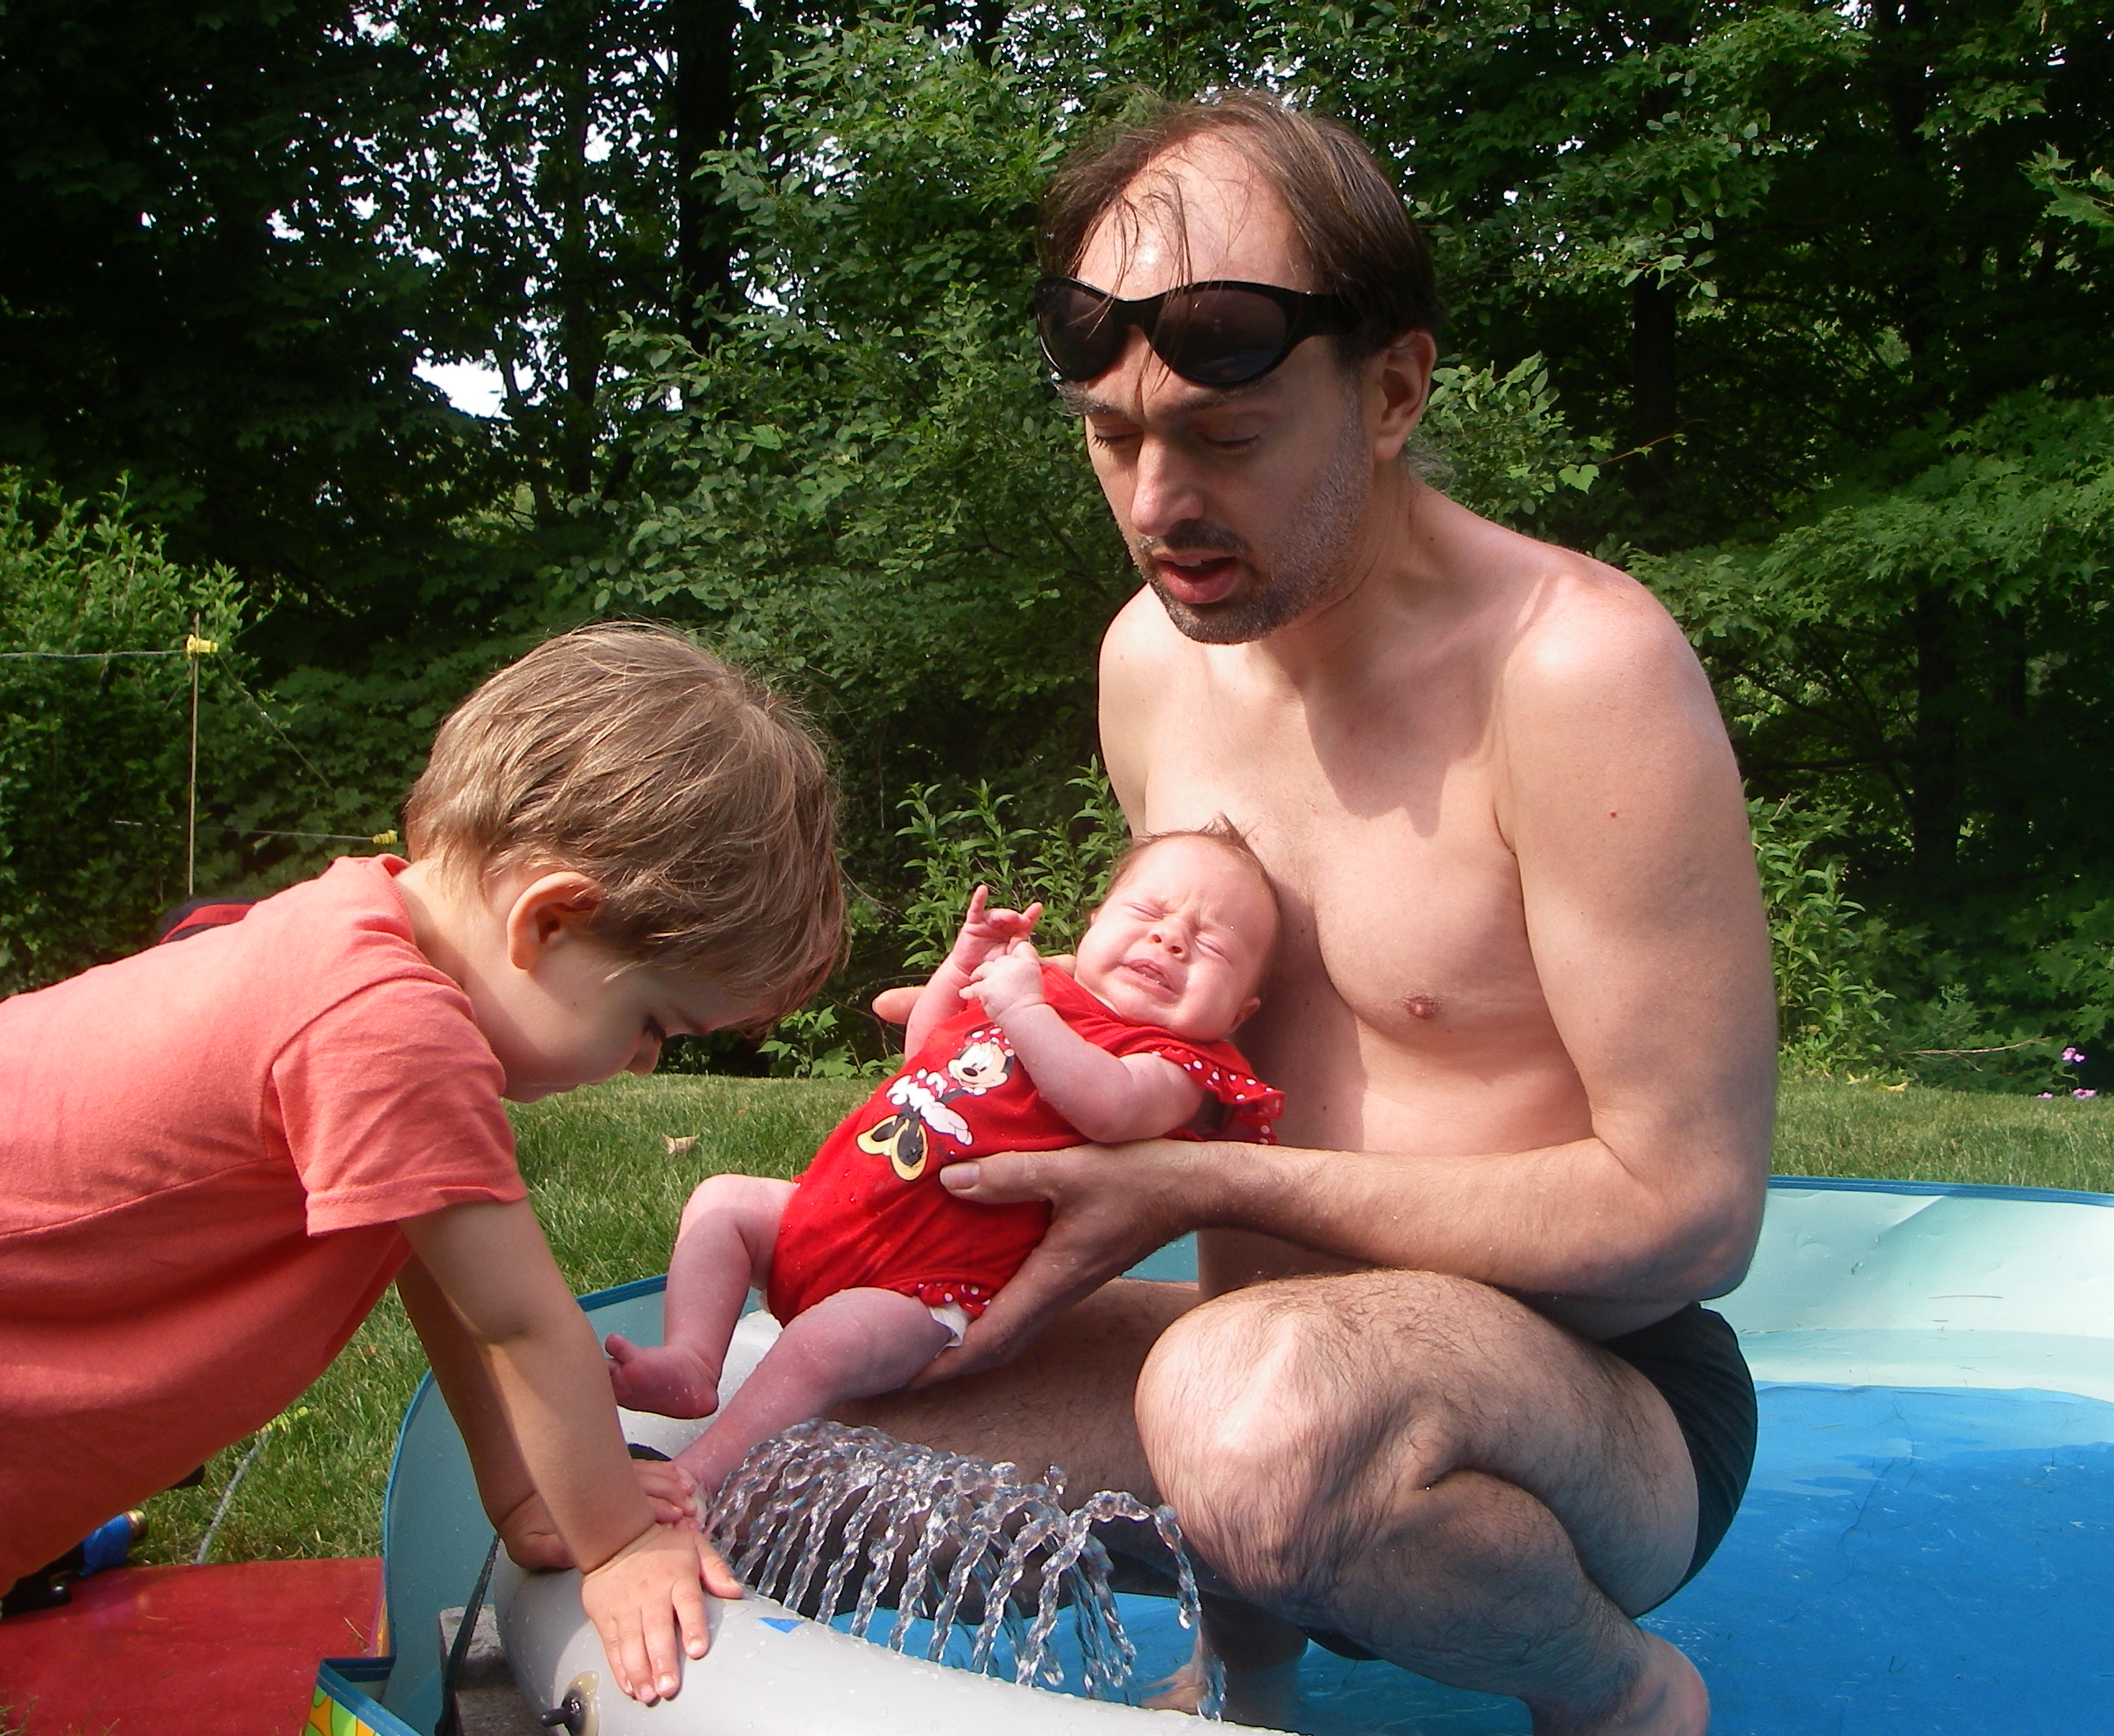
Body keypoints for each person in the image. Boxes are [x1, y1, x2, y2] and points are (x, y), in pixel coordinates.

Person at [852, 93, 1776, 1736]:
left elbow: (1693, 1215)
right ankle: (1248, 1678)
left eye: (1224, 439)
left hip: (1594, 1400)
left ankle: (1622, 1696)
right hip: (1257, 1364)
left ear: (1392, 391)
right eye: (1110, 436)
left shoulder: (1576, 672)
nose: (1155, 502)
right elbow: (1198, 1055)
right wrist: (1007, 1034)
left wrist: (1206, 1180)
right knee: (808, 1402)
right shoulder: (1153, 663)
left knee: (1256, 1406)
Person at [0, 625, 847, 1708]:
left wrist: (528, 1497)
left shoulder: (358, 938)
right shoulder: (388, 1028)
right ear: (549, 919)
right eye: (655, 1023)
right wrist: (621, 1544)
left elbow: (451, 1290)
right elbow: (519, 1321)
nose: (643, 1063)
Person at [608, 823, 1283, 1497]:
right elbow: (926, 1047)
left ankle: (699, 1474)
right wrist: (962, 967)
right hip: (828, 1216)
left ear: (1240, 1012)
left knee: (821, 1346)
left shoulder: (1177, 1066)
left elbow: (1108, 1106)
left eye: (1213, 944)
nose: (1171, 939)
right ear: (1094, 921)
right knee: (723, 1201)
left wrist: (1023, 1007)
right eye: (1148, 911)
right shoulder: (1036, 983)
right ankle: (692, 1361)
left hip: (926, 1290)